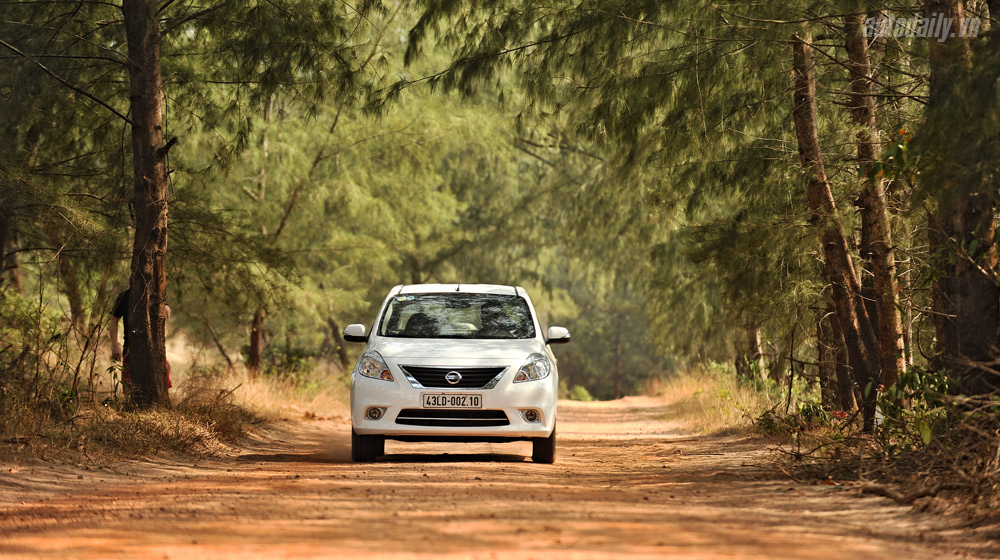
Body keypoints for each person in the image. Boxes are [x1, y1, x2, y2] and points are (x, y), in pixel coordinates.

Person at [109, 288, 172, 391]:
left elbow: (166, 308)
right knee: (129, 388)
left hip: (154, 348)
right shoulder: (124, 296)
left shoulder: (155, 294)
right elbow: (114, 319)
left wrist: (166, 307)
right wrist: (115, 345)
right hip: (131, 347)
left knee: (159, 386)